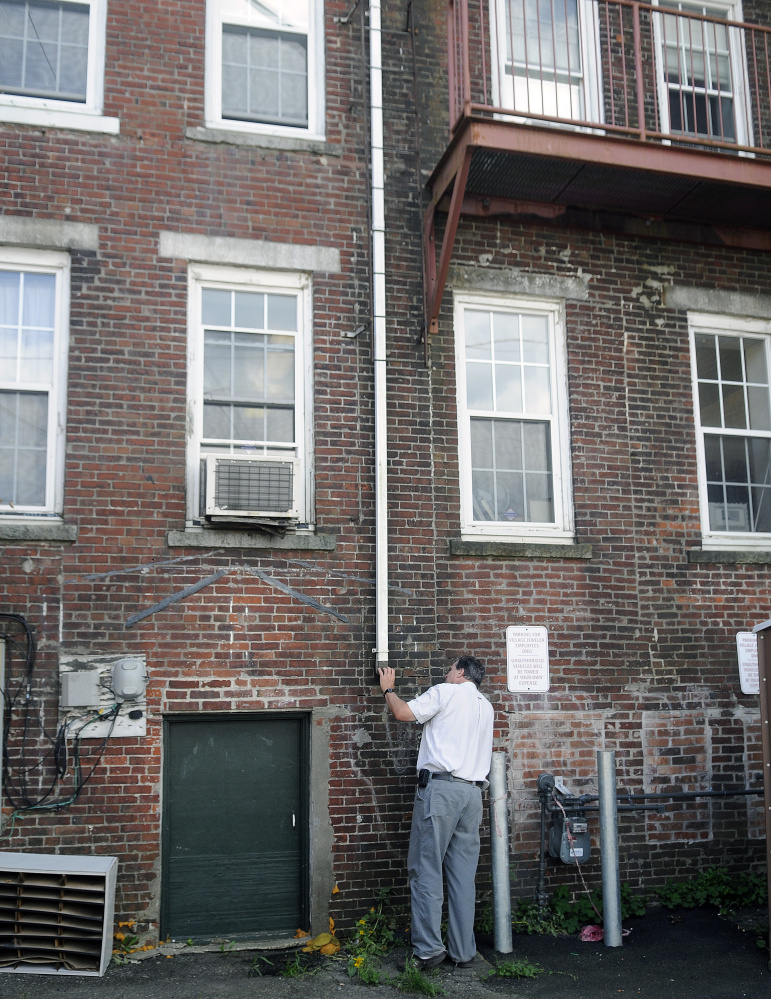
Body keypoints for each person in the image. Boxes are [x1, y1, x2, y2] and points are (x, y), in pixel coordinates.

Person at [378, 656, 494, 970]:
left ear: (460, 672)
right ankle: (463, 952)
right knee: (462, 877)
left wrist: (388, 689)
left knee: (426, 868)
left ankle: (428, 950)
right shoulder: (487, 706)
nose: (446, 673)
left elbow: (403, 713)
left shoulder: (446, 691)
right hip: (472, 794)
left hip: (441, 791)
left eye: (449, 669)